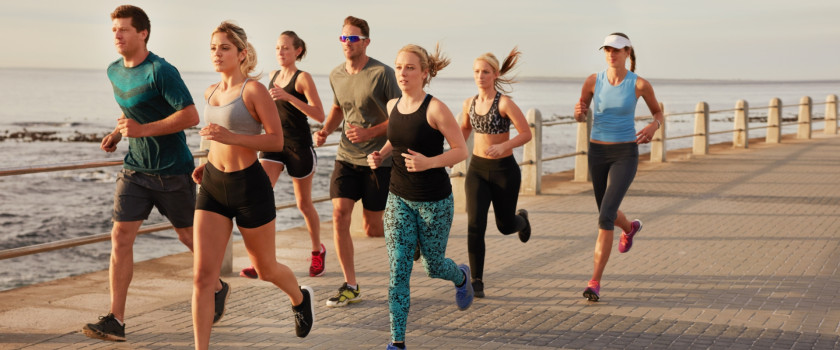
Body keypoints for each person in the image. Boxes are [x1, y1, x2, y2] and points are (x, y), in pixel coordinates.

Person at [82, 5, 227, 342]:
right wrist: (119, 133)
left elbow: (191, 116)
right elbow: (130, 109)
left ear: (142, 33)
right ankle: (116, 319)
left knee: (188, 237)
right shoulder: (113, 71)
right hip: (135, 170)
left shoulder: (161, 71)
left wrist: (142, 130)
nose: (117, 36)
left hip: (172, 170)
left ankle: (218, 286)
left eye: (124, 30)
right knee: (120, 237)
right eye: (114, 30)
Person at [190, 21, 314, 349]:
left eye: (224, 48)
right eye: (213, 47)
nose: (217, 53)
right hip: (214, 186)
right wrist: (208, 163)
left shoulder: (254, 90)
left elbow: (276, 140)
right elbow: (217, 139)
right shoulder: (210, 92)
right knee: (202, 277)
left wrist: (230, 138)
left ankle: (299, 297)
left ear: (242, 53)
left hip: (250, 187)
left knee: (266, 268)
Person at [367, 44, 472, 350]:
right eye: (399, 67)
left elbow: (460, 150)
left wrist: (428, 162)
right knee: (399, 268)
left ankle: (461, 277)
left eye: (410, 68)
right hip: (398, 197)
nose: (403, 73)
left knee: (433, 265)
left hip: (434, 201)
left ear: (425, 73)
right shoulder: (392, 106)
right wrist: (381, 154)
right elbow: (396, 137)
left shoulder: (436, 108)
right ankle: (396, 342)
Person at [313, 16, 400, 308]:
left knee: (372, 228)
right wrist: (325, 130)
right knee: (339, 215)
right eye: (343, 38)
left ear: (365, 41)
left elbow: (400, 119)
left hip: (379, 160)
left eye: (353, 38)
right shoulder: (336, 74)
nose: (347, 43)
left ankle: (408, 236)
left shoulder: (383, 74)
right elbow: (338, 107)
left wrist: (370, 132)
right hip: (346, 156)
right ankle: (351, 284)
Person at [574, 33, 663, 302]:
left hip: (625, 153)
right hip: (598, 152)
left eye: (617, 50)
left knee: (604, 216)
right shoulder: (593, 81)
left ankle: (594, 282)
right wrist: (578, 112)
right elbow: (581, 113)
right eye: (607, 49)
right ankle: (630, 228)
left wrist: (653, 126)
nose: (611, 54)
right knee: (607, 211)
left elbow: (658, 113)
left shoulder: (640, 85)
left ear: (627, 52)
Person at [239, 31, 327, 280]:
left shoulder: (302, 78)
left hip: (299, 146)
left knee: (303, 204)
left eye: (286, 48)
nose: (280, 52)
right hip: (274, 145)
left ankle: (317, 251)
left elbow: (320, 115)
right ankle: (261, 261)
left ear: (297, 51)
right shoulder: (271, 77)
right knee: (260, 198)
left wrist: (289, 96)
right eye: (278, 48)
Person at [459, 48, 533, 299]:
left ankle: (521, 220)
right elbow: (463, 131)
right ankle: (477, 280)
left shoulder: (504, 103)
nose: (480, 76)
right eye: (477, 72)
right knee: (474, 225)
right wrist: (449, 155)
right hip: (477, 171)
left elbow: (525, 133)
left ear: (495, 74)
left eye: (485, 72)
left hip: (504, 172)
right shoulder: (469, 103)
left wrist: (504, 145)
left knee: (504, 225)